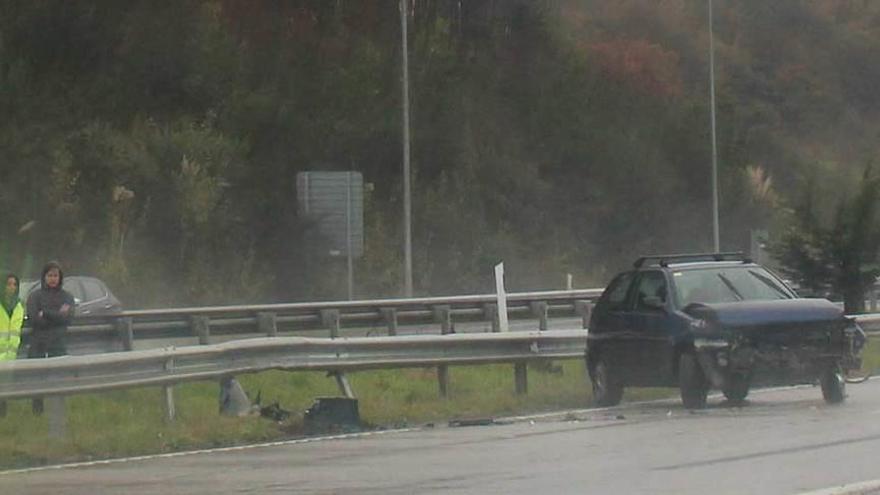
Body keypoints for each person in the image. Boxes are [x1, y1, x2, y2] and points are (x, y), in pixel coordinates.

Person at [27, 261, 75, 414]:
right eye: (50, 275)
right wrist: (57, 316)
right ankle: (37, 411)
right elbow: (34, 319)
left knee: (58, 378)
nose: (53, 279)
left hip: (58, 342)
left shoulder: (67, 297)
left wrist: (46, 313)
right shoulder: (35, 296)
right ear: (44, 277)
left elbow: (67, 318)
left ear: (60, 277)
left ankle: (58, 411)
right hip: (39, 343)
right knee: (37, 379)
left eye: (56, 275)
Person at [0, 274, 24, 417]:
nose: (12, 288)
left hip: (10, 353)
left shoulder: (19, 305)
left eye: (14, 284)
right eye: (8, 284)